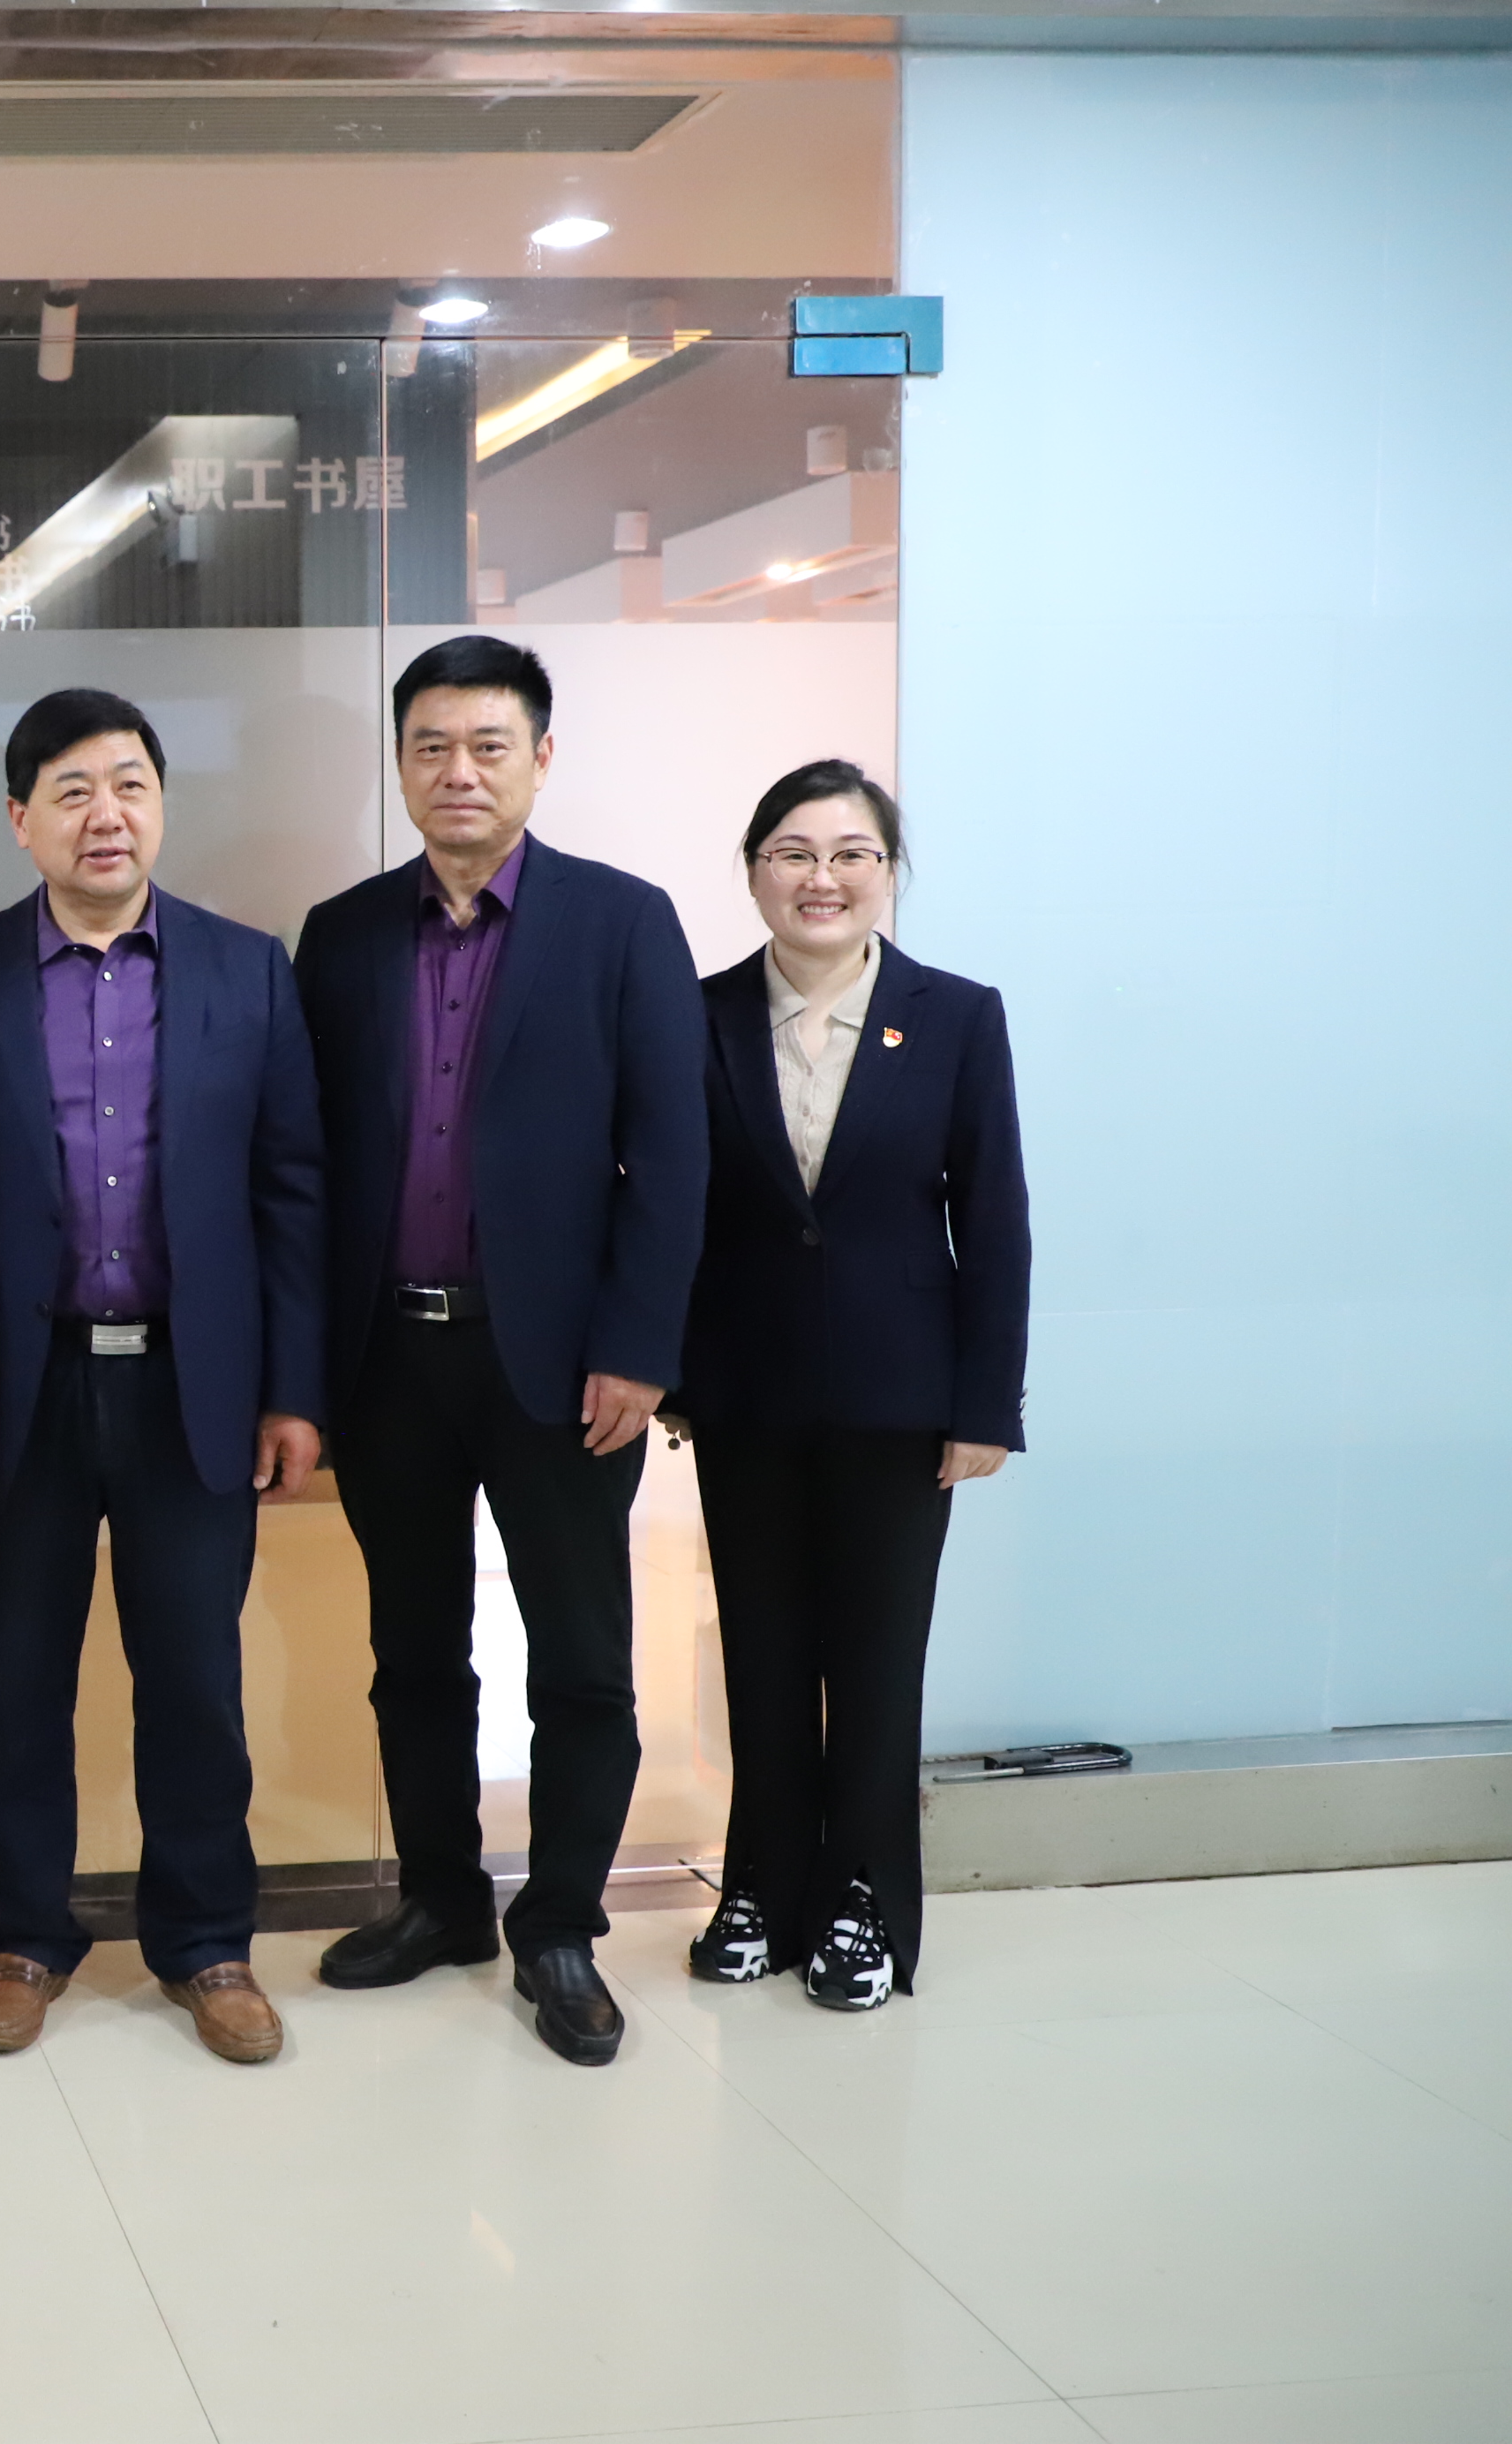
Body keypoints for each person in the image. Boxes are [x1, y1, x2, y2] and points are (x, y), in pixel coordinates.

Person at [292, 634, 706, 2069]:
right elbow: (309, 1162)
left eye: (487, 746)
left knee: (581, 1661)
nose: (457, 772)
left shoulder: (621, 923)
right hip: (388, 1363)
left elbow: (672, 1155)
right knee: (414, 1654)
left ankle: (564, 1927)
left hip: (564, 1369)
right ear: (401, 764)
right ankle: (444, 1901)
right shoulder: (343, 934)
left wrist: (639, 1349)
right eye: (431, 747)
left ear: (541, 757)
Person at [0, 689, 329, 2064]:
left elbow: (292, 1191)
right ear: (20, 818)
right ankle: (25, 1939)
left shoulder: (246, 970)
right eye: (73, 791)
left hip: (191, 1387)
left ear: (161, 803)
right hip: (23, 1392)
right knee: (18, 1681)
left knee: (196, 1681)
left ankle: (208, 1943)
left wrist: (293, 1390)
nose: (107, 815)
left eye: (132, 785)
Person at [675, 760, 1028, 2010]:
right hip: (744, 1391)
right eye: (793, 853)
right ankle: (761, 1889)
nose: (820, 878)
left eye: (850, 855)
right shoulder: (698, 1013)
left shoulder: (956, 1015)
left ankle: (866, 1899)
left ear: (888, 872)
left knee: (877, 1663)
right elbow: (668, 1208)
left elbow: (995, 1219)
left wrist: (987, 1404)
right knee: (764, 1654)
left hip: (902, 1398)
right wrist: (671, 1369)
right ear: (753, 870)